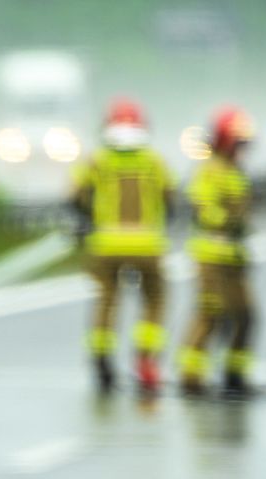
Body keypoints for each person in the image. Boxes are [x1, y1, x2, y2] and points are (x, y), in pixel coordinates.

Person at [71, 98, 174, 394]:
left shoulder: (97, 160)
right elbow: (171, 199)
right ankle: (145, 358)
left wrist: (85, 219)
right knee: (154, 300)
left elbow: (75, 196)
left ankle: (101, 358)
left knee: (106, 301)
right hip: (147, 245)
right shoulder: (154, 161)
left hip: (105, 245)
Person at [179, 107, 257, 398]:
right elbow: (202, 207)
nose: (242, 149)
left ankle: (235, 375)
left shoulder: (236, 171)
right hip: (211, 257)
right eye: (238, 142)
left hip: (235, 257)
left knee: (246, 316)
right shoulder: (209, 170)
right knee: (210, 315)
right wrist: (228, 220)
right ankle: (191, 377)